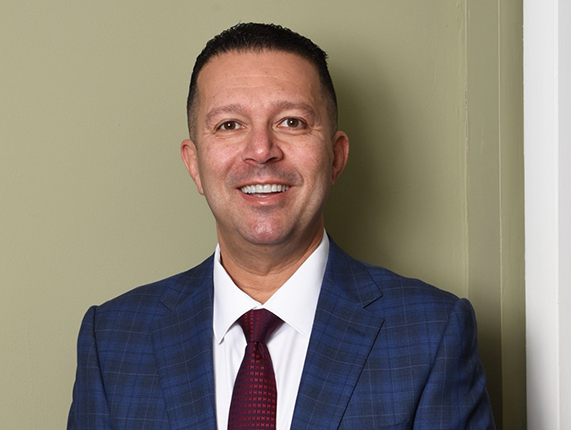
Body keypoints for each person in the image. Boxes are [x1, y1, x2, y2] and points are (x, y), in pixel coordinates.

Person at [68, 23, 495, 430]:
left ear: (335, 156)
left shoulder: (431, 334)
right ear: (194, 164)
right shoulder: (112, 341)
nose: (261, 151)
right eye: (229, 125)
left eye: (291, 121)